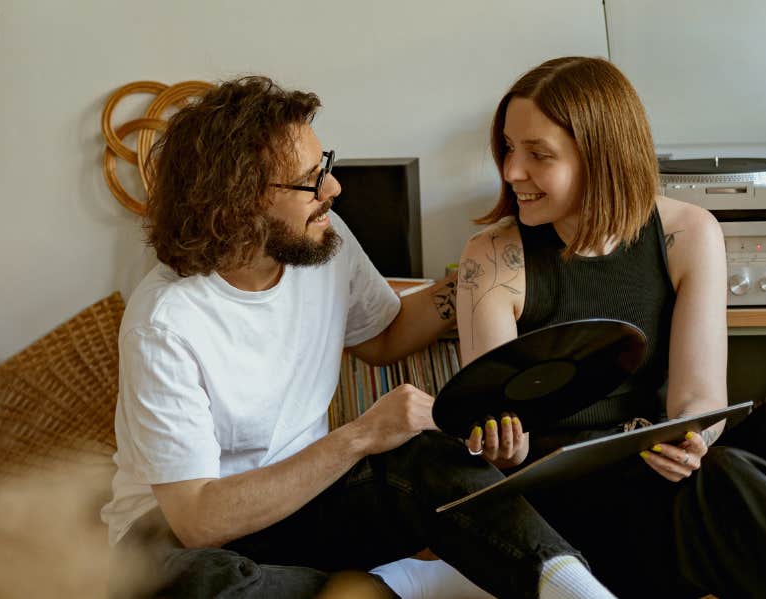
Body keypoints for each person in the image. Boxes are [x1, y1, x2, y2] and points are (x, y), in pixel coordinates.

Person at [100, 76, 616, 599]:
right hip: (174, 541)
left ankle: (571, 587)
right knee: (203, 584)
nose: (332, 189)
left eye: (325, 166)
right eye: (310, 180)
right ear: (237, 204)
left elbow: (383, 334)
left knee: (426, 458)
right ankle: (407, 585)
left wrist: (477, 277)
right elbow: (198, 521)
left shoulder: (323, 238)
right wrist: (358, 436)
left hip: (304, 509)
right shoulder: (164, 322)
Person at [456, 56, 766, 599]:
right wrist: (503, 447)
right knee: (722, 478)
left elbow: (698, 397)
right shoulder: (493, 259)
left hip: (669, 468)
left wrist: (694, 436)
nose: (510, 172)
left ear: (601, 156)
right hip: (576, 515)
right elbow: (500, 435)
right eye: (508, 148)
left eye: (538, 155)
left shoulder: (689, 231)